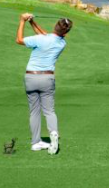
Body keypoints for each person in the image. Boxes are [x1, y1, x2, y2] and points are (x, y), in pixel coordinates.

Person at [15, 13, 73, 155]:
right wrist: (32, 22)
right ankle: (53, 133)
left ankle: (35, 143)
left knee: (34, 111)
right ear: (66, 32)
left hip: (31, 77)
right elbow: (46, 35)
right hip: (47, 79)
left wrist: (22, 21)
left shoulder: (41, 39)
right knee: (49, 111)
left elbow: (19, 40)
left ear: (55, 26)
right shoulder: (61, 43)